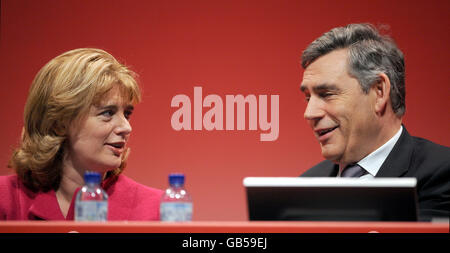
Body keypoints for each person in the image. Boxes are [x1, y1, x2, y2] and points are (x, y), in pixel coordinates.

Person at [299, 23, 450, 220]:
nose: (309, 113)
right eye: (308, 98)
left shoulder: (442, 173)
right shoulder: (306, 186)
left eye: (326, 94)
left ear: (379, 91)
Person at [0, 48, 163, 220]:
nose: (126, 127)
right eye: (107, 113)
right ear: (59, 123)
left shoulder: (155, 209)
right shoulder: (6, 199)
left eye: (127, 114)